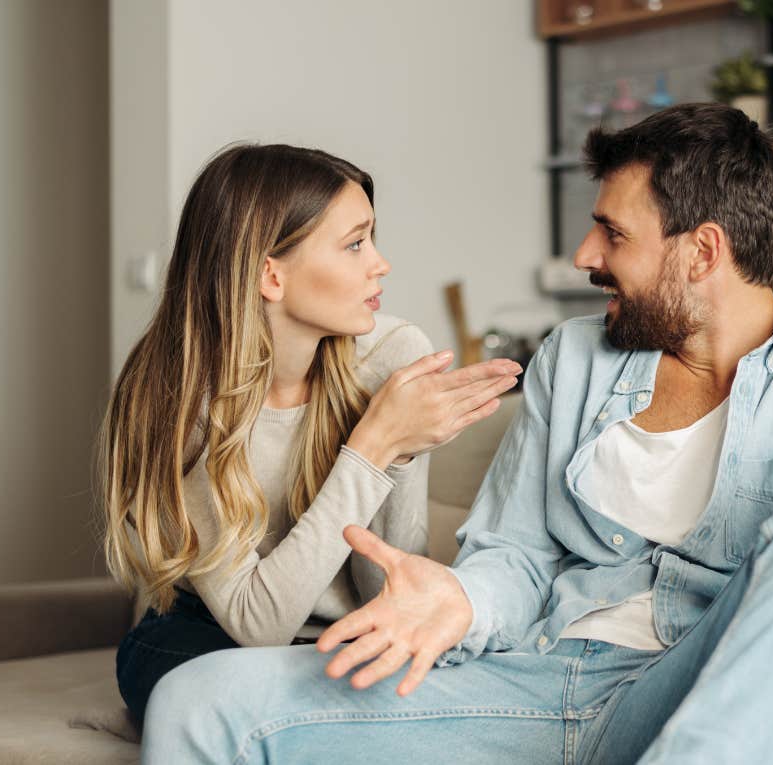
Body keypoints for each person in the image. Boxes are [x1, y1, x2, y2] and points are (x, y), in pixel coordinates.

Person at [140, 104, 773, 764]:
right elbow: (515, 557)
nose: (584, 257)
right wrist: (461, 602)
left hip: (690, 697)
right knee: (193, 698)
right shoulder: (575, 357)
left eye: (611, 232)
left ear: (702, 251)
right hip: (529, 681)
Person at [97, 144, 521, 724]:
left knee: (405, 682)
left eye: (371, 238)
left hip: (348, 632)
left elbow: (383, 588)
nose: (381, 264)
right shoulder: (177, 397)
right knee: (200, 689)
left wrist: (395, 452)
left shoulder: (393, 358)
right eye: (354, 244)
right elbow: (257, 625)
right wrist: (372, 447)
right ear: (270, 274)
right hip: (208, 634)